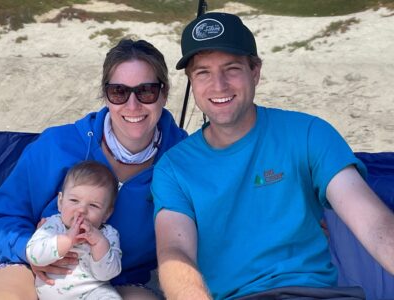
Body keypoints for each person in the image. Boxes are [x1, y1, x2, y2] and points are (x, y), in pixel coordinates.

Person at [152, 12, 394, 300]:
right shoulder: (174, 167)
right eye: (203, 72)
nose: (218, 85)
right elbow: (174, 254)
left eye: (231, 69)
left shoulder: (308, 134)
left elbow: (373, 223)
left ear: (255, 71)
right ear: (191, 81)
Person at [0, 38, 187, 300]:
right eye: (119, 91)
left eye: (146, 91)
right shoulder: (58, 145)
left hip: (116, 280)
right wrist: (29, 250)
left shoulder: (183, 158)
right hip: (35, 270)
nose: (132, 105)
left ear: (163, 94)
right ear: (105, 95)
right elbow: (2, 217)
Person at [26, 160, 122, 299]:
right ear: (60, 202)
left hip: (93, 292)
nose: (82, 210)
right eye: (74, 201)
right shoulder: (53, 225)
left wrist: (99, 244)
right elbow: (34, 255)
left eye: (93, 205)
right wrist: (66, 240)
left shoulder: (108, 234)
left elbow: (107, 274)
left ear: (106, 214)